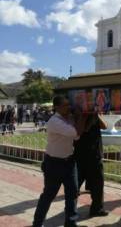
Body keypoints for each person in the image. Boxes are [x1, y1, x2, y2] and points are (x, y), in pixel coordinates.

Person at [32, 95, 86, 227]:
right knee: (49, 195)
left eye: (69, 104)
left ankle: (71, 222)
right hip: (54, 163)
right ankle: (37, 223)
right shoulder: (55, 121)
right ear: (57, 107)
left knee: (72, 193)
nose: (69, 107)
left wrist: (78, 118)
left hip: (69, 161)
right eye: (65, 105)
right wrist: (84, 115)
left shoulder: (67, 119)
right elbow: (76, 133)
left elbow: (77, 137)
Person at [74, 112, 109, 217]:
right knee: (75, 185)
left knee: (98, 184)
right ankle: (70, 210)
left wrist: (97, 115)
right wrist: (86, 116)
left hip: (95, 155)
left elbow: (105, 126)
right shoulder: (77, 114)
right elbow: (82, 130)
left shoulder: (95, 115)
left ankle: (97, 209)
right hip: (80, 155)